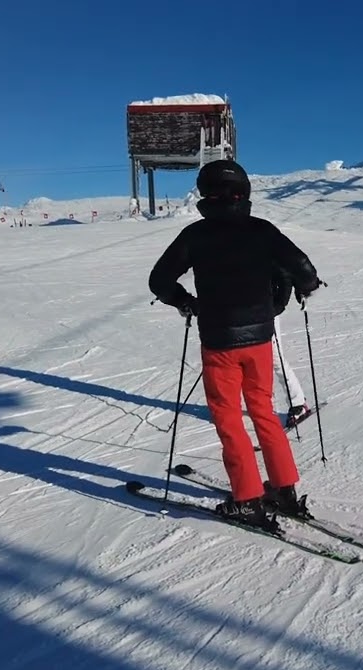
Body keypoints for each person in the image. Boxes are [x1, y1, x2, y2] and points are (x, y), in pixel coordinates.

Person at [148, 159, 322, 529]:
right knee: (262, 410)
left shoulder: (195, 235)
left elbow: (160, 280)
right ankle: (283, 489)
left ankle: (247, 500)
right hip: (259, 340)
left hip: (219, 342)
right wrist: (303, 288)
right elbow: (301, 266)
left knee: (229, 420)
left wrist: (185, 302)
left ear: (205, 193)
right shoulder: (262, 230)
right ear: (244, 191)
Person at [270, 270, 311, 428]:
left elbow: (284, 272)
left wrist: (279, 304)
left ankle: (298, 403)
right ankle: (263, 411)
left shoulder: (263, 246)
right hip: (235, 314)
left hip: (266, 309)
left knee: (274, 357)